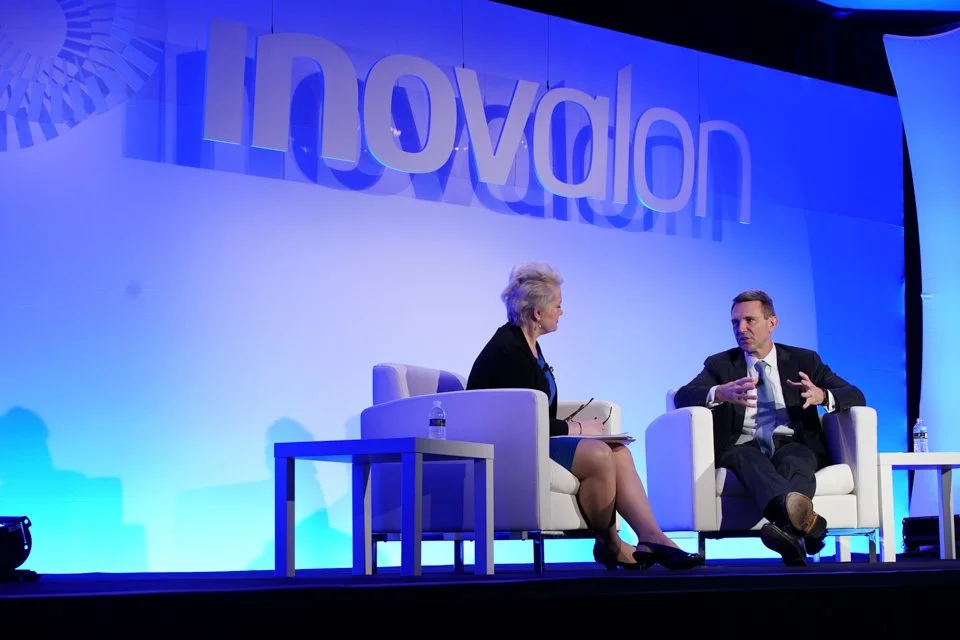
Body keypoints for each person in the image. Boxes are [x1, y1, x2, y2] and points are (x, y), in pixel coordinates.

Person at [466, 262, 703, 571]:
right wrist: (577, 427)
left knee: (619, 453)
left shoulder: (529, 345)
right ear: (537, 313)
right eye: (558, 305)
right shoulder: (507, 351)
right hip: (512, 445)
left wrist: (579, 429)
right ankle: (610, 543)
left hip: (534, 438)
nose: (562, 312)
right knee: (600, 456)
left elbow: (538, 412)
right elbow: (523, 418)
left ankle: (651, 536)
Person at [673, 290, 866, 566]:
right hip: (742, 445)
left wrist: (822, 396)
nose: (741, 329)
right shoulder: (721, 364)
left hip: (793, 443)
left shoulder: (804, 361)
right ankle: (807, 527)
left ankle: (792, 535)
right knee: (745, 455)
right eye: (735, 322)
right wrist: (719, 393)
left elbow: (855, 394)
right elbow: (683, 396)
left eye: (749, 320)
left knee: (796, 461)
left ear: (771, 323)